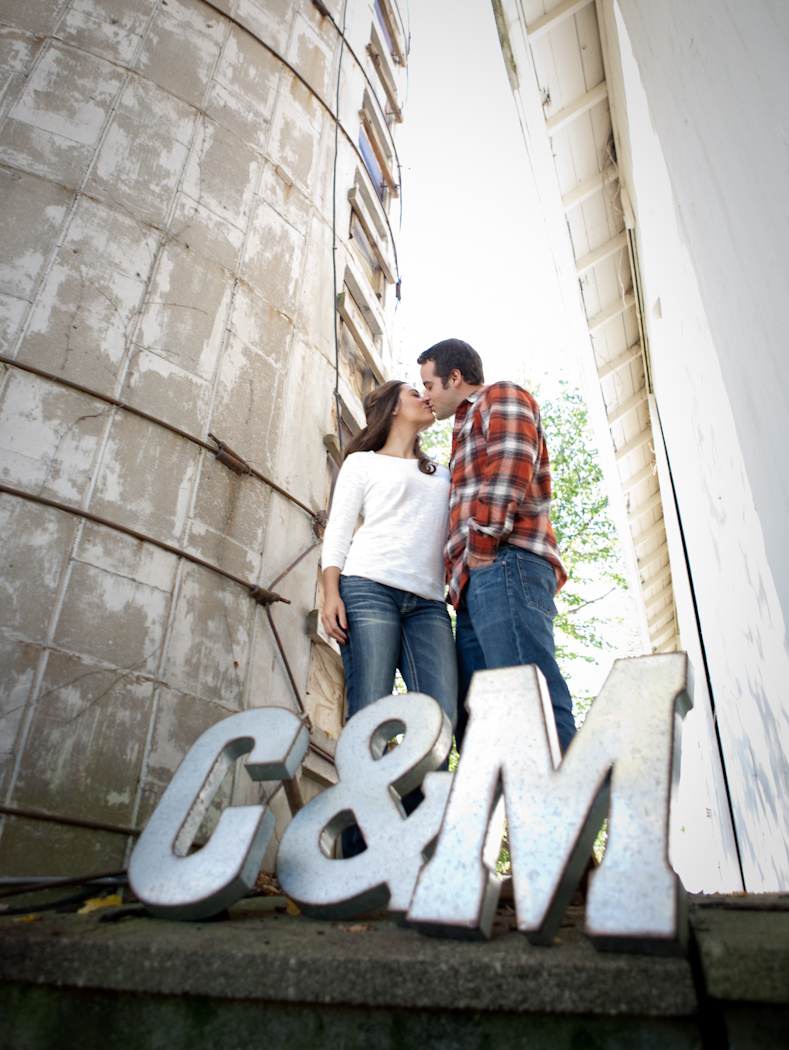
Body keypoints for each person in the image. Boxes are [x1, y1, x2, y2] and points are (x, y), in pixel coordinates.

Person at [417, 338, 576, 754]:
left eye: (429, 385)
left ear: (454, 377)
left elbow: (511, 463)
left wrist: (482, 548)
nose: (426, 396)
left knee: (528, 694)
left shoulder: (500, 396)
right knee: (481, 718)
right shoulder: (464, 427)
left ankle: (567, 791)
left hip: (504, 563)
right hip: (476, 583)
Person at [321, 379, 458, 855]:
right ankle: (358, 855)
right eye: (414, 392)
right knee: (369, 716)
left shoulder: (442, 472)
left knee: (439, 720)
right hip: (367, 589)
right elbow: (338, 531)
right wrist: (330, 593)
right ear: (392, 408)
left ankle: (418, 849)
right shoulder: (362, 463)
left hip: (428, 604)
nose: (426, 397)